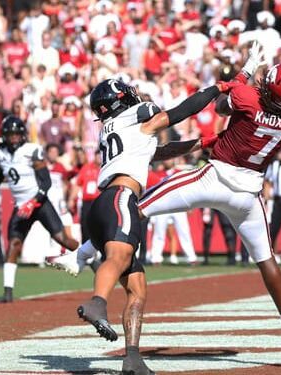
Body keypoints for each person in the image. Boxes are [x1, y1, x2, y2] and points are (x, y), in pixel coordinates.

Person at [136, 41, 281, 349]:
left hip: (215, 177)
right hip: (248, 194)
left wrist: (247, 70)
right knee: (267, 260)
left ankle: (86, 253)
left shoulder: (250, 98)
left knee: (139, 208)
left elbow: (223, 104)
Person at [51, 77, 230, 375]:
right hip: (121, 199)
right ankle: (98, 302)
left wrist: (201, 143)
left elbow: (157, 153)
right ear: (123, 99)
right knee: (118, 258)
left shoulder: (116, 129)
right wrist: (217, 89)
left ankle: (132, 357)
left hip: (103, 204)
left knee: (137, 289)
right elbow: (183, 110)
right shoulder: (137, 115)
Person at [0, 116, 80, 303]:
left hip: (39, 203)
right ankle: (7, 293)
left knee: (62, 239)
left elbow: (46, 182)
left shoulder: (31, 150)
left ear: (22, 134)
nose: (14, 137)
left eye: (17, 133)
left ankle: (92, 258)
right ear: (5, 136)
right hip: (20, 206)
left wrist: (32, 202)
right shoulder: (1, 154)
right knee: (14, 246)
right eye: (11, 134)